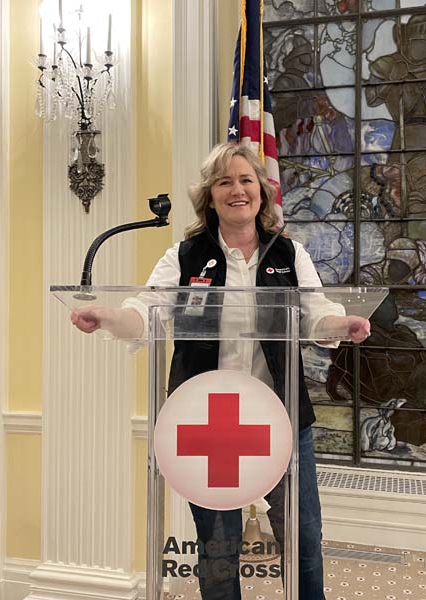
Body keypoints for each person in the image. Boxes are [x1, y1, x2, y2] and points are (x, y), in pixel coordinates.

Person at [71, 142, 370, 599]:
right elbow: (147, 311)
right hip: (206, 422)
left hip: (282, 418)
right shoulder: (184, 256)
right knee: (217, 547)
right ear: (209, 196)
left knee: (303, 537)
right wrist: (109, 316)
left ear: (262, 192)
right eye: (224, 182)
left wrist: (341, 324)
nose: (237, 190)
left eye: (246, 180)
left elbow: (316, 313)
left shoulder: (289, 254)